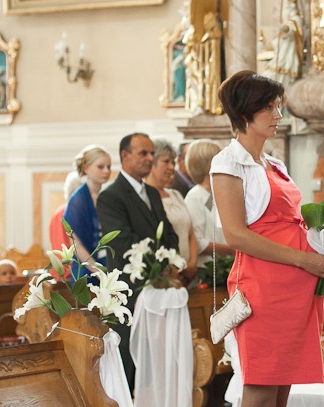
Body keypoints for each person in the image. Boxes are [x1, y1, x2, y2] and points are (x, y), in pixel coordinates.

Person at [210, 71, 324, 407]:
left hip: (294, 289)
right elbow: (237, 235)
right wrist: (304, 259)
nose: (278, 115)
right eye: (270, 107)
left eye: (277, 106)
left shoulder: (272, 163)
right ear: (246, 111)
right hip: (262, 290)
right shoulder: (228, 162)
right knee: (259, 399)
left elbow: (292, 222)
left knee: (278, 402)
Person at [98, 133, 178, 390]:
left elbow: (169, 234)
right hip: (129, 289)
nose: (149, 158)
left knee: (155, 358)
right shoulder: (111, 196)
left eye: (151, 153)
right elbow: (123, 243)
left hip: (156, 289)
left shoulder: (153, 194)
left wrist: (170, 260)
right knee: (129, 358)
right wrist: (158, 262)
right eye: (143, 153)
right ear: (125, 155)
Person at [146, 139, 198, 282]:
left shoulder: (176, 195)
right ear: (152, 163)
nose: (171, 167)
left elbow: (191, 233)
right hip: (164, 274)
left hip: (188, 271)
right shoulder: (145, 198)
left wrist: (192, 264)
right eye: (166, 162)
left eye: (173, 162)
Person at [183, 139, 235, 271]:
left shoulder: (220, 193)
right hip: (206, 270)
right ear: (208, 164)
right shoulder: (195, 197)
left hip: (227, 265)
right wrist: (231, 250)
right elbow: (197, 241)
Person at [64, 145, 114, 278]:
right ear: (86, 168)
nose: (106, 171)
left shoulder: (107, 196)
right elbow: (76, 245)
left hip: (107, 267)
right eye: (100, 167)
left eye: (109, 167)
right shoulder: (78, 200)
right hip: (86, 273)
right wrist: (98, 272)